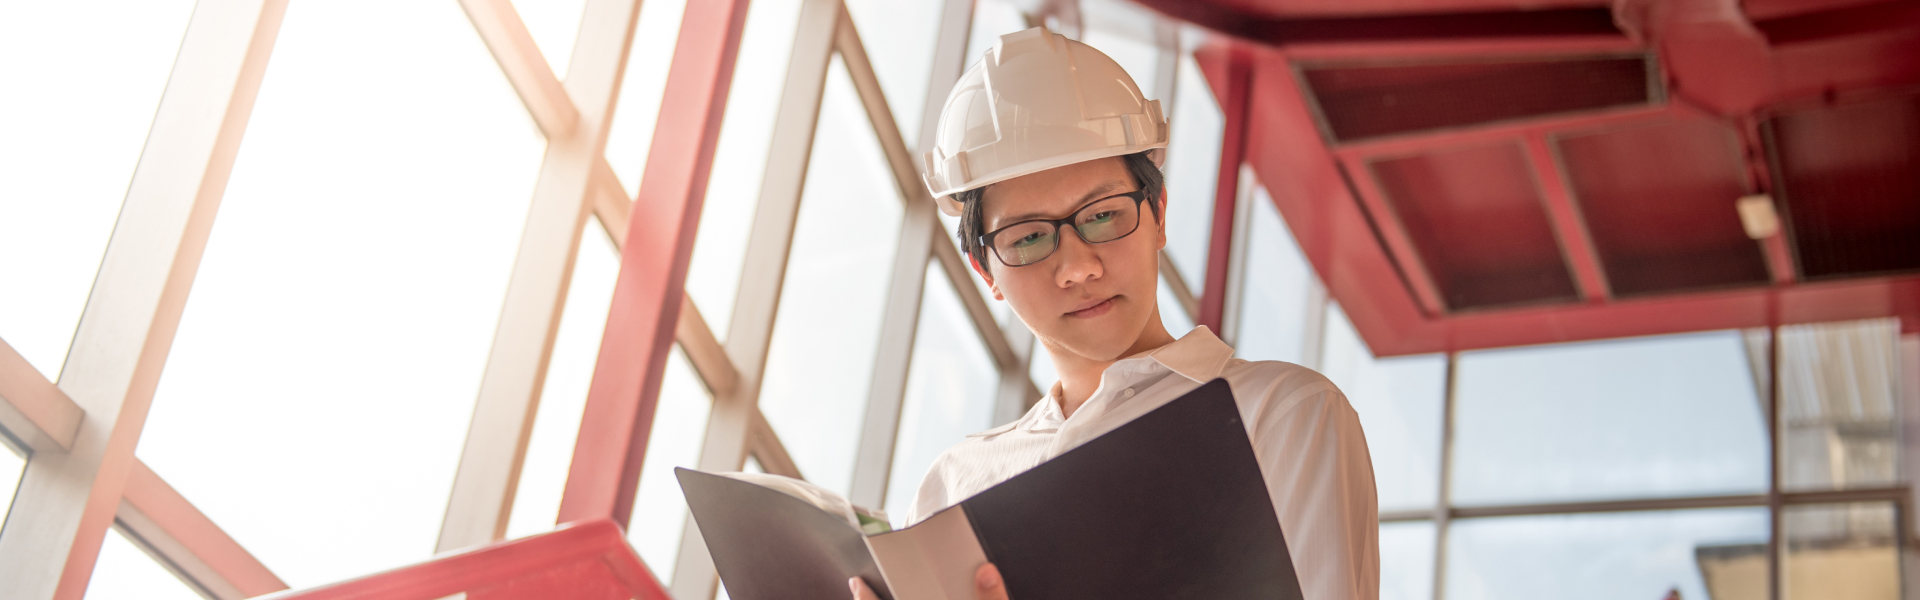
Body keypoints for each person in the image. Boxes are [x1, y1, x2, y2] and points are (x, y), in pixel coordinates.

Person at [851, 26, 1378, 600]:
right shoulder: (951, 489)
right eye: (1028, 238)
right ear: (987, 273)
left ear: (1159, 214)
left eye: (1102, 216)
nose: (1077, 267)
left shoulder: (1280, 414)